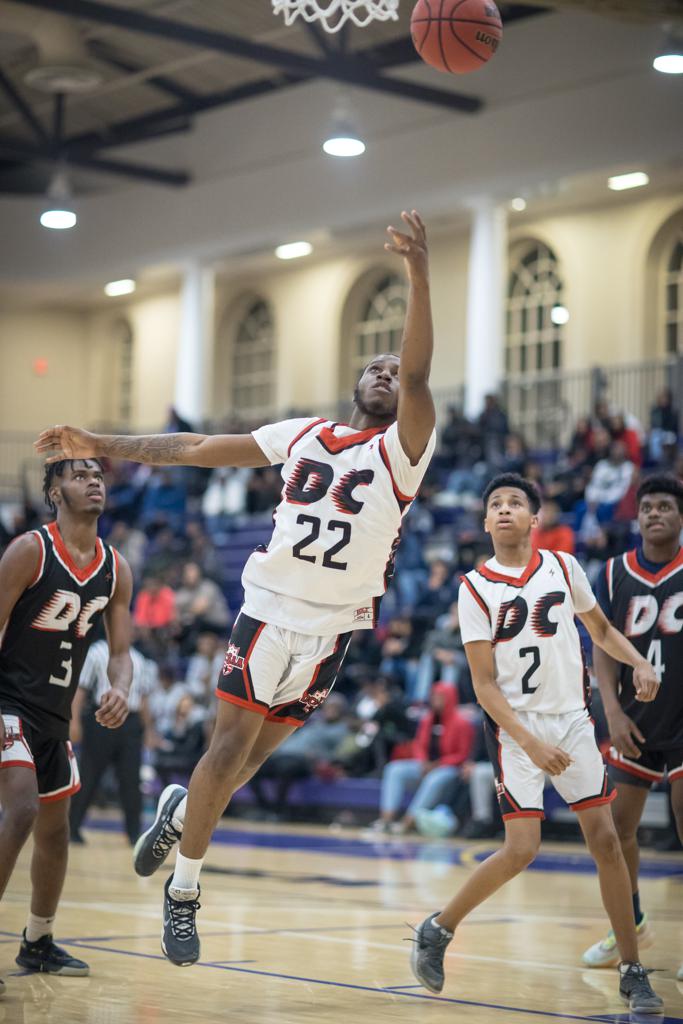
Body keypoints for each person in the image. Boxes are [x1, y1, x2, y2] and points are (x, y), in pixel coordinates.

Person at [34, 209, 436, 969]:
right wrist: (102, 444)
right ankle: (183, 892)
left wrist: (417, 271)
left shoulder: (403, 450)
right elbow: (191, 448)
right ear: (353, 383)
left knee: (244, 765)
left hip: (333, 629)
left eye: (394, 366)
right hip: (271, 611)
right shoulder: (304, 435)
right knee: (226, 750)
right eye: (373, 366)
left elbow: (418, 374)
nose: (387, 373)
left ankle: (180, 809)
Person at [408, 473, 663, 1014]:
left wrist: (639, 660)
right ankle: (438, 928)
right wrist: (528, 741)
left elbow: (601, 631)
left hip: (571, 719)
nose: (505, 510)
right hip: (514, 726)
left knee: (607, 843)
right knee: (522, 849)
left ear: (534, 518)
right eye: (495, 504)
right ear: (484, 522)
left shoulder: (564, 568)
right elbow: (482, 685)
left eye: (515, 503)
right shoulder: (474, 587)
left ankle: (632, 969)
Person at [0, 459, 132, 990]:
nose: (94, 480)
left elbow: (121, 651)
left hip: (53, 714)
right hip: (8, 701)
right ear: (55, 492)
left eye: (97, 473)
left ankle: (38, 941)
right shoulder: (30, 550)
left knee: (55, 833)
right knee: (24, 808)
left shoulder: (116, 566)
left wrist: (119, 687)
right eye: (79, 475)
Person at [581, 474, 683, 982]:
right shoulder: (614, 571)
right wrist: (612, 711)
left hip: (682, 715)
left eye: (665, 506)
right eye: (647, 507)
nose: (655, 513)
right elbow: (602, 643)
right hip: (633, 719)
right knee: (617, 833)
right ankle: (633, 923)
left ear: (680, 517)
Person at [69, 637, 157, 846]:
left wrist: (149, 730)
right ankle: (72, 828)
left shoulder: (140, 659)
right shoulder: (95, 651)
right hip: (101, 718)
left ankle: (134, 834)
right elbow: (81, 689)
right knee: (89, 775)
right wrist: (74, 722)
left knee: (131, 780)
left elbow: (143, 699)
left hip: (131, 722)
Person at [371, 683, 474, 834]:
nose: (435, 700)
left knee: (435, 778)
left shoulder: (462, 723)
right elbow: (419, 745)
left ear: (450, 698)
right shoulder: (427, 720)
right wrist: (423, 761)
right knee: (394, 769)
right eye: (433, 696)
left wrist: (438, 764)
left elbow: (463, 754)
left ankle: (408, 822)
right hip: (426, 765)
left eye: (440, 697)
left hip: (449, 769)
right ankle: (386, 819)